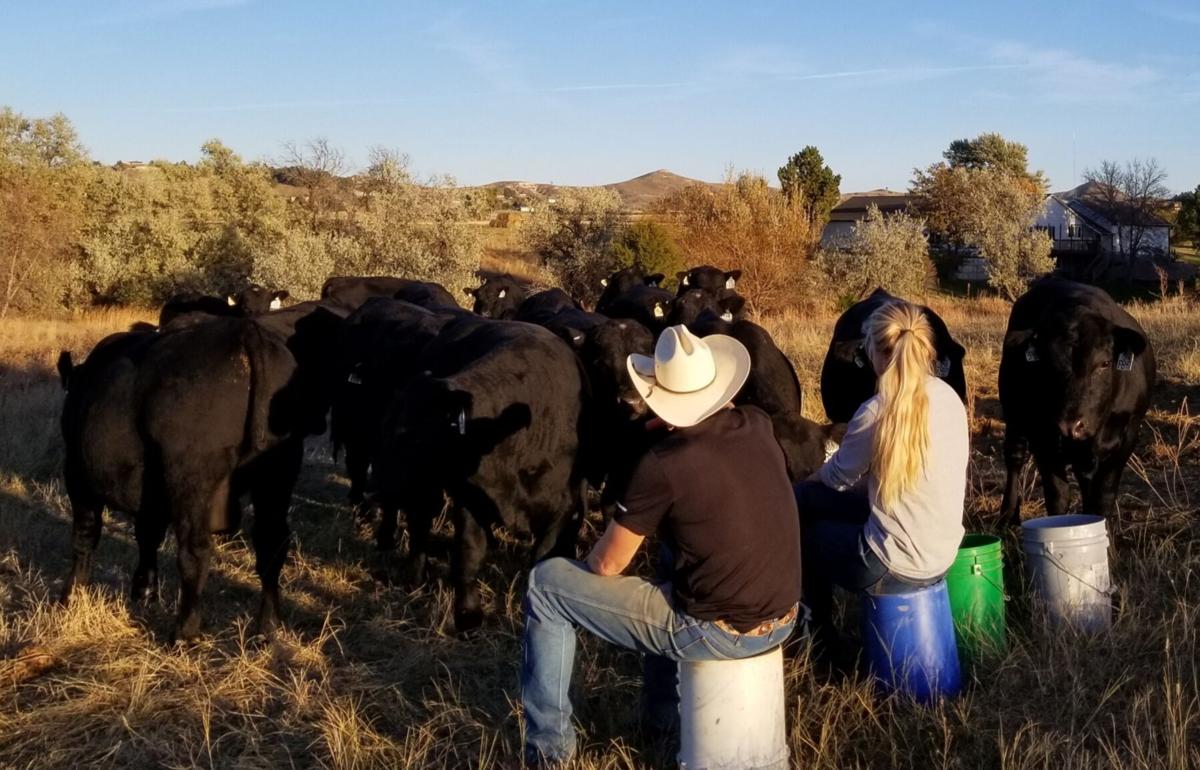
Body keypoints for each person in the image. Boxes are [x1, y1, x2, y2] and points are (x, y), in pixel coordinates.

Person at [519, 324, 802, 764]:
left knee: (546, 586)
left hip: (718, 632)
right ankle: (660, 717)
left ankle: (548, 751)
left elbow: (608, 565)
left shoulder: (663, 464)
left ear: (659, 398)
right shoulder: (757, 424)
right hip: (785, 615)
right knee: (673, 559)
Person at [795, 300, 969, 655]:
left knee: (805, 526)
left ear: (874, 352)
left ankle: (817, 636)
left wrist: (808, 481)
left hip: (889, 565)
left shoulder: (875, 410)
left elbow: (838, 478)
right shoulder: (950, 396)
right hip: (942, 557)